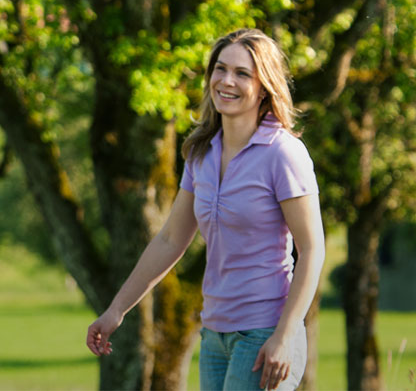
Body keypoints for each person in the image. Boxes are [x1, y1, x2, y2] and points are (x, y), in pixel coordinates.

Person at [85, 29, 325, 391]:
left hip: (265, 332)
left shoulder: (282, 153)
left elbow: (311, 249)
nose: (227, 81)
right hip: (214, 333)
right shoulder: (203, 153)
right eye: (220, 69)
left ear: (264, 86)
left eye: (243, 73)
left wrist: (286, 334)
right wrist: (117, 309)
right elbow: (169, 239)